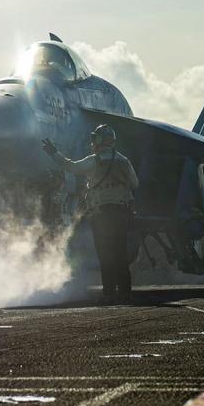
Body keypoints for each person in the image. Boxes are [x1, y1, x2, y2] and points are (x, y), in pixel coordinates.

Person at [42, 124, 138, 304]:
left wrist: (53, 153)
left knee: (105, 255)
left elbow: (70, 167)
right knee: (120, 254)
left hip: (101, 214)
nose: (93, 142)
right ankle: (125, 294)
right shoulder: (124, 161)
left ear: (101, 140)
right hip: (121, 213)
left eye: (96, 138)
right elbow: (135, 183)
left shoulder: (94, 161)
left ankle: (109, 294)